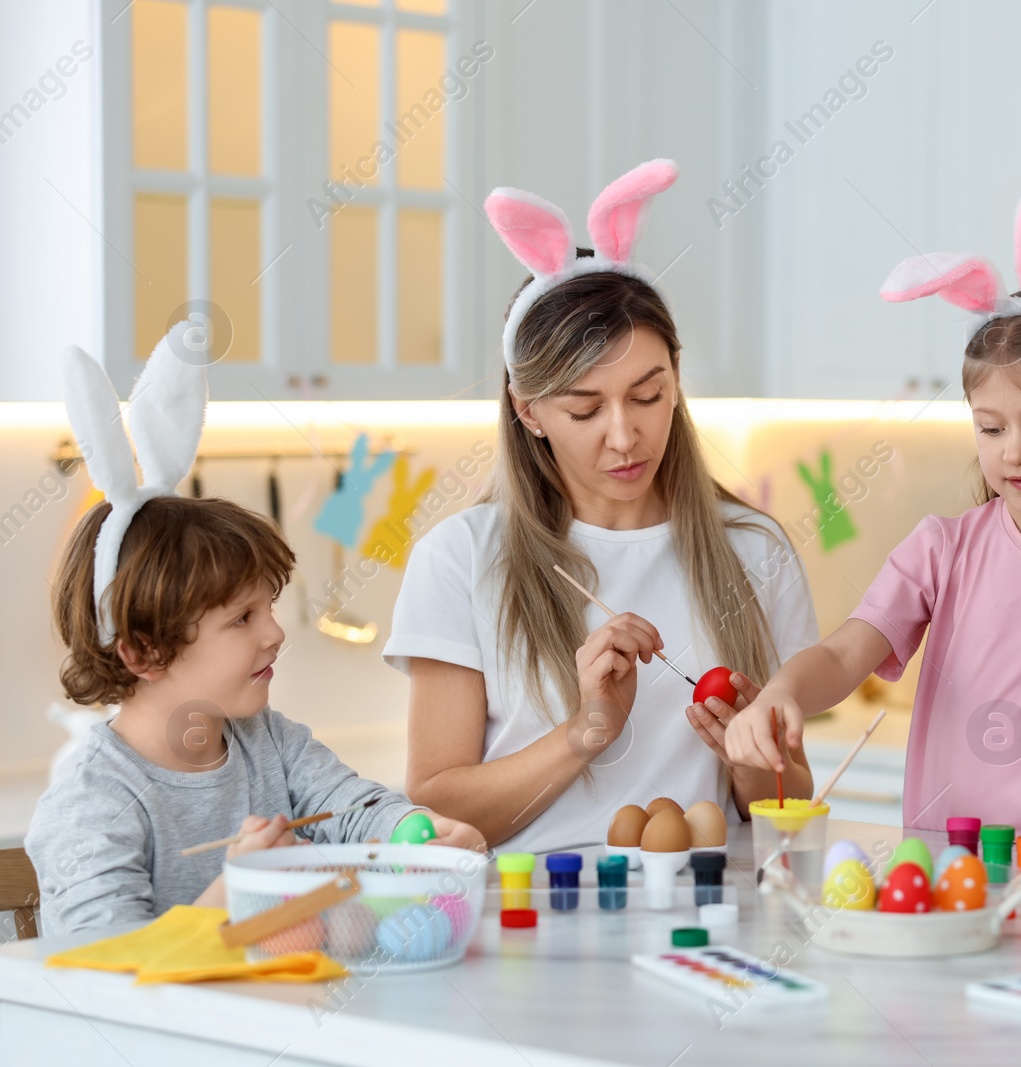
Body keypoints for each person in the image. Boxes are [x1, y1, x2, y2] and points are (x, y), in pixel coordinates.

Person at [386, 161, 817, 853]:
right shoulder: (461, 557)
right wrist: (584, 733)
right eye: (585, 408)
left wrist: (747, 763)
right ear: (528, 410)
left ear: (676, 381)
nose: (625, 436)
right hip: (530, 925)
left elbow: (788, 804)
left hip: (707, 916)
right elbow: (435, 809)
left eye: (648, 396)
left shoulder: (754, 549)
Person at [725, 186, 1021, 845]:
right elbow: (845, 654)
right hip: (951, 869)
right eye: (989, 427)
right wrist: (782, 691)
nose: (1013, 450)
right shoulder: (942, 550)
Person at [28, 338, 481, 935]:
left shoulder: (268, 743)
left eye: (267, 608)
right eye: (241, 619)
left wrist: (414, 831)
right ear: (145, 651)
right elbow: (103, 965)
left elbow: (356, 810)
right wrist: (232, 893)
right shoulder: (92, 801)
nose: (274, 634)